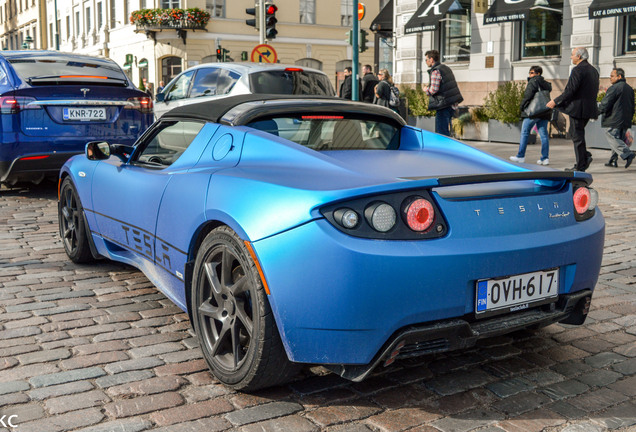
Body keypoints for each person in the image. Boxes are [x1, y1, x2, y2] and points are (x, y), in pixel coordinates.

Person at [547, 47, 599, 172]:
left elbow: (570, 90)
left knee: (577, 136)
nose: (571, 57)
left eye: (572, 55)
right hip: (588, 109)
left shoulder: (578, 70)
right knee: (576, 133)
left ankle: (581, 165)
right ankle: (584, 157)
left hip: (577, 109)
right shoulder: (593, 70)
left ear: (579, 56)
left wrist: (555, 101)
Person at [510, 66, 552, 165]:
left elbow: (527, 96)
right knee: (544, 135)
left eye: (532, 72)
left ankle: (520, 156)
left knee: (525, 133)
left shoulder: (533, 81)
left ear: (538, 73)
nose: (530, 75)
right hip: (544, 112)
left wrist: (521, 107)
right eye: (530, 72)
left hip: (533, 113)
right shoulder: (546, 84)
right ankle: (545, 158)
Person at [597, 68, 636, 168]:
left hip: (613, 119)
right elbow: (632, 106)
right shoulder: (629, 88)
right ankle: (613, 160)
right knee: (617, 139)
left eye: (612, 76)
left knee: (612, 137)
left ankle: (627, 153)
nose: (610, 78)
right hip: (625, 120)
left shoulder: (614, 88)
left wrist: (596, 112)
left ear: (619, 76)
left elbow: (606, 103)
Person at [423, 49, 464, 137]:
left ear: (431, 59)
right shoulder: (446, 68)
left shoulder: (435, 71)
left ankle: (443, 150)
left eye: (426, 59)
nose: (426, 62)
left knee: (441, 132)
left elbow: (433, 90)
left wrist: (426, 89)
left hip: (443, 105)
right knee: (447, 131)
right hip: (451, 104)